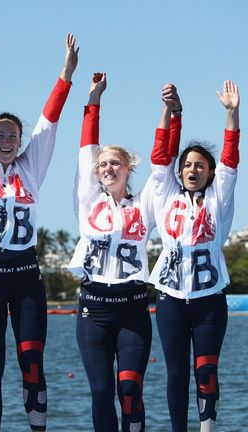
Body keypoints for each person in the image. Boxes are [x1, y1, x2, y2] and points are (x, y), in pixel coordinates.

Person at [0, 33, 77, 432]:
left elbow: (50, 122)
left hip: (27, 277)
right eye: (0, 135)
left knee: (31, 362)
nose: (7, 141)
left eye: (13, 135)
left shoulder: (31, 168)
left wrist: (66, 75)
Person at [68, 73, 159, 431]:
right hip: (95, 308)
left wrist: (170, 113)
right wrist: (93, 101)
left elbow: (163, 166)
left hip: (134, 307)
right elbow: (86, 150)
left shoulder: (145, 205)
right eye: (103, 165)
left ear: (128, 167)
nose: (107, 168)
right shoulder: (88, 201)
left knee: (130, 391)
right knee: (102, 391)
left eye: (115, 163)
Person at [150, 80, 240, 432]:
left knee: (206, 370)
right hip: (170, 299)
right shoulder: (165, 192)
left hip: (209, 301)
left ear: (210, 172)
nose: (192, 170)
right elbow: (160, 156)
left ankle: (207, 429)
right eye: (187, 165)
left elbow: (231, 159)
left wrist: (232, 114)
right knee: (175, 373)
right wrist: (172, 112)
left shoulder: (220, 198)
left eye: (200, 165)